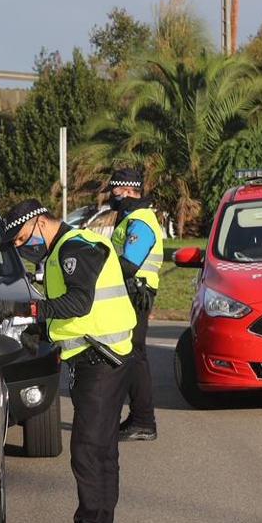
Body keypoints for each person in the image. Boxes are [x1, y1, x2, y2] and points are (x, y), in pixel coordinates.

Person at [2, 199, 136, 523]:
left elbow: (79, 302)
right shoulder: (67, 248)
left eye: (22, 238)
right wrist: (41, 331)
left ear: (41, 224)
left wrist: (27, 310)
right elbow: (74, 315)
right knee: (102, 455)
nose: (20, 247)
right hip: (97, 358)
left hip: (102, 360)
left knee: (89, 456)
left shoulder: (76, 247)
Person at [107, 169, 164, 442]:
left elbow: (129, 263)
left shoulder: (140, 220)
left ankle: (143, 420)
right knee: (132, 356)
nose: (111, 196)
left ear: (127, 191)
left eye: (114, 191)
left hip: (135, 295)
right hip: (132, 294)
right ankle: (140, 418)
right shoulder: (131, 217)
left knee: (134, 356)